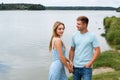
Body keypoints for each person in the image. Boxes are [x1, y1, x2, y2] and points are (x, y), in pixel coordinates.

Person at [69, 16, 100, 80]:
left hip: (86, 67)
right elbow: (72, 50)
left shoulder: (92, 36)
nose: (76, 26)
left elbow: (98, 51)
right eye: (77, 23)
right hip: (75, 67)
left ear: (85, 24)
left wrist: (90, 63)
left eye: (79, 24)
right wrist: (71, 62)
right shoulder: (74, 35)